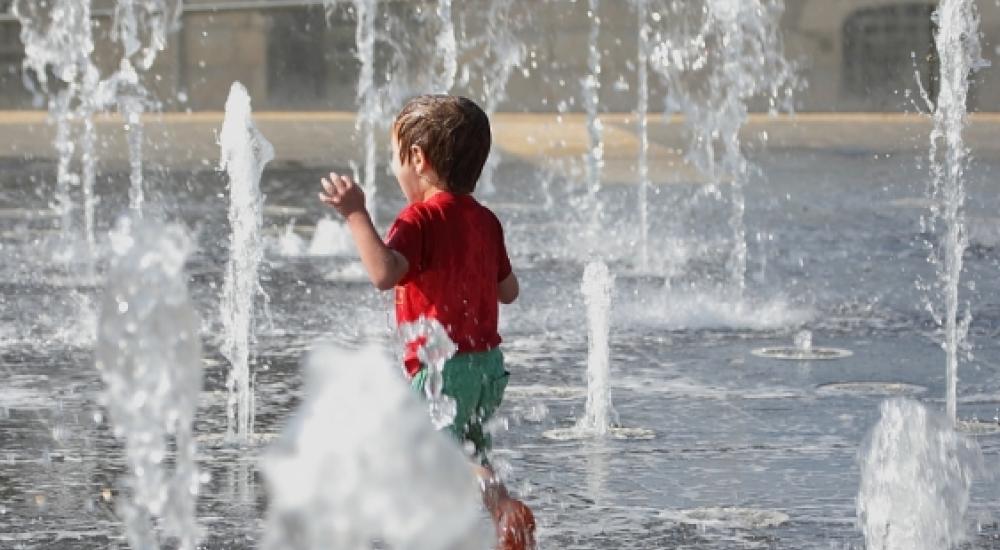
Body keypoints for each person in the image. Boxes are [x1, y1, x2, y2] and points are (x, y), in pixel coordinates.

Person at [319, 94, 535, 550]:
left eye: (396, 157)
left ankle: (493, 509)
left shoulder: (419, 219)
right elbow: (509, 290)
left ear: (418, 159)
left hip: (444, 367)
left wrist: (355, 214)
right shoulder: (485, 221)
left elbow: (384, 273)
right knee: (469, 453)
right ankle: (498, 520)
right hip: (488, 367)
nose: (395, 169)